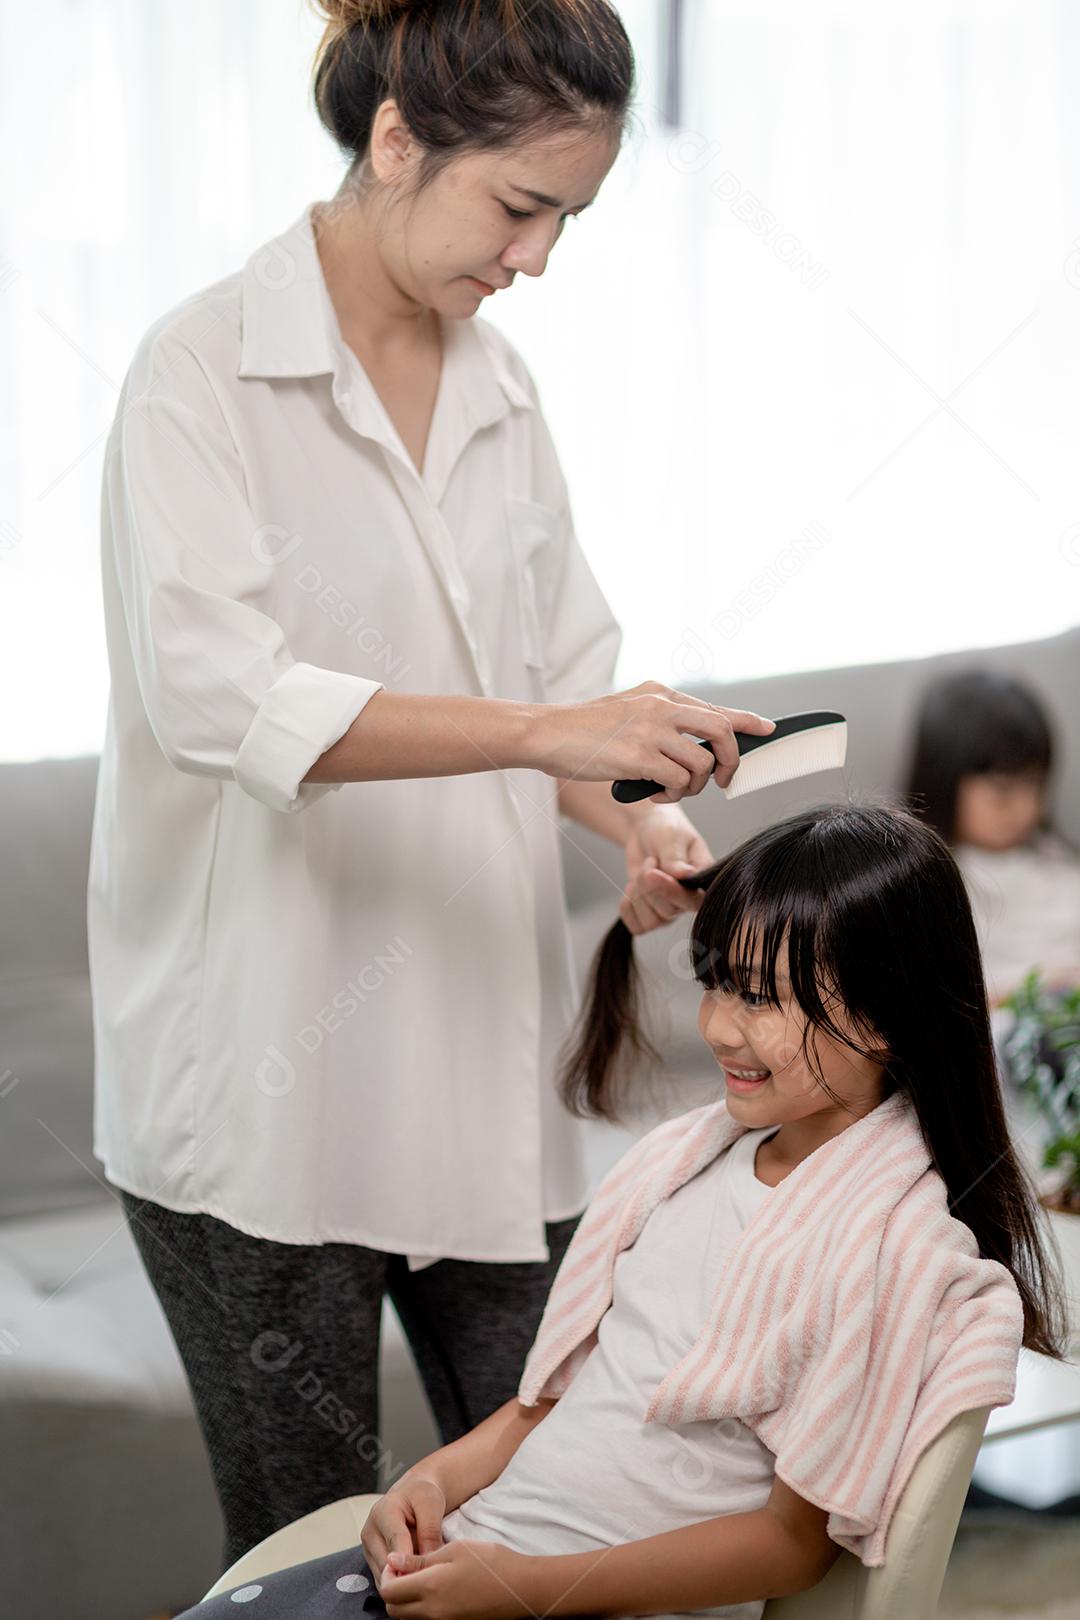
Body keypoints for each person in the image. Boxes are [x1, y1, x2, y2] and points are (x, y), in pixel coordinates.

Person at [88, 0, 780, 1572]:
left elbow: (575, 678)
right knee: (308, 1559)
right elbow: (225, 703)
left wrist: (647, 816)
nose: (537, 258)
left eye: (569, 219)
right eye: (520, 206)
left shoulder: (502, 389)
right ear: (396, 140)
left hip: (482, 1064)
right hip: (262, 1093)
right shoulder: (199, 372)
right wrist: (553, 738)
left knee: (557, 1513)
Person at [173, 803, 1070, 1620]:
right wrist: (435, 1482)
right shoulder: (680, 1168)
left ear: (885, 1016)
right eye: (718, 982)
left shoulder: (891, 1248)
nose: (719, 1026)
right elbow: (559, 1400)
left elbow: (791, 1546)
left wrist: (529, 1590)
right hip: (486, 1553)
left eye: (761, 996)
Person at [905, 666, 1080, 1009]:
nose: (1026, 809)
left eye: (1035, 784)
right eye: (1003, 790)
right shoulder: (926, 885)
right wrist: (1047, 987)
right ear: (944, 780)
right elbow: (936, 1003)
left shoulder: (1054, 859)